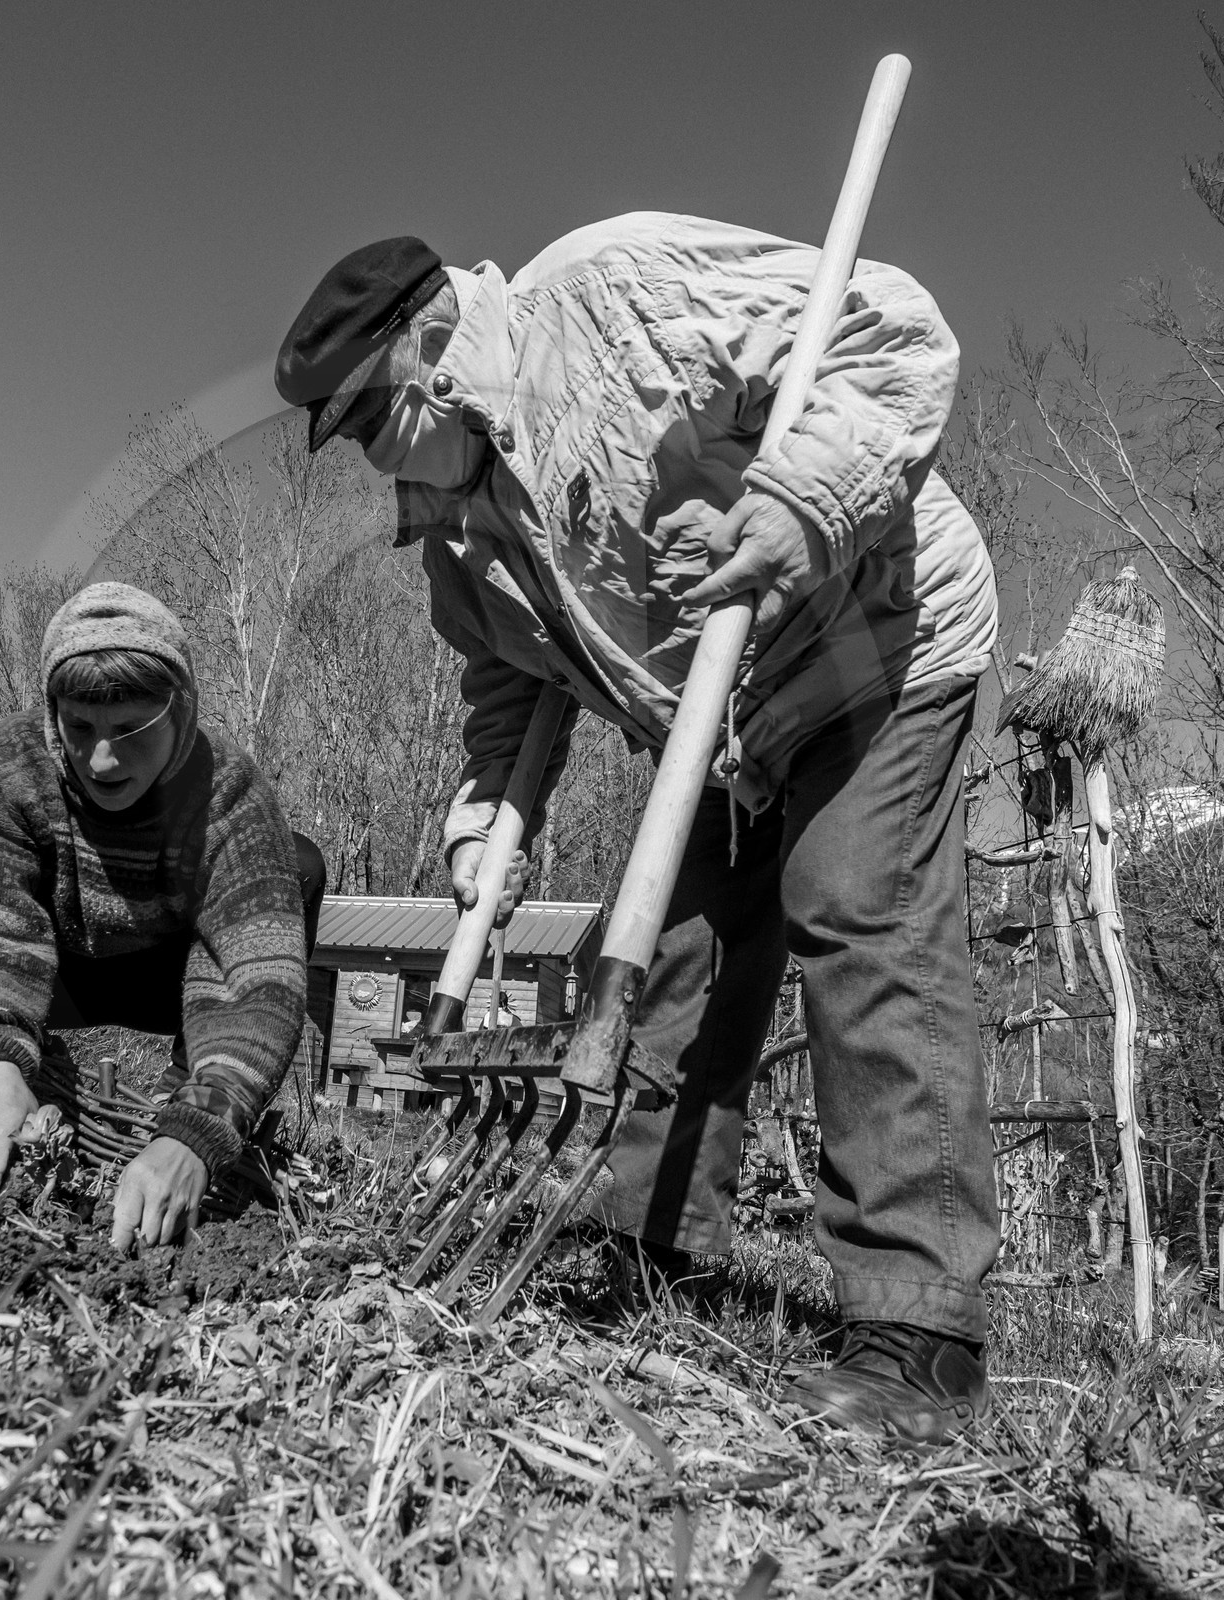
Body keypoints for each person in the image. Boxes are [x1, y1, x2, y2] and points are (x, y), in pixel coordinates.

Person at [275, 220, 999, 1443]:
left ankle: (918, 1329)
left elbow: (888, 327)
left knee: (853, 897)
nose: (362, 459)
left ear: (436, 349)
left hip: (876, 637)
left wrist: (803, 498)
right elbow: (509, 687)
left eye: (364, 420)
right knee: (672, 958)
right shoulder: (458, 518)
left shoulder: (613, 296)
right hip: (719, 724)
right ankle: (654, 1245)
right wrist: (482, 822)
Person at [0, 582, 322, 1253]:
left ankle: (175, 1100)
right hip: (44, 965)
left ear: (182, 710)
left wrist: (199, 1125)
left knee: (300, 864)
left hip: (169, 984)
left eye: (132, 731)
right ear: (52, 710)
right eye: (79, 727)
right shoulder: (5, 768)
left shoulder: (232, 795)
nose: (102, 759)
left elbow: (253, 982)